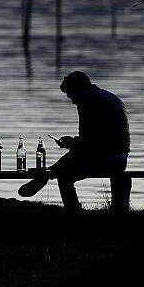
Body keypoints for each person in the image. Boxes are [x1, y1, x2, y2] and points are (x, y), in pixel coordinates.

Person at [49, 71, 131, 213]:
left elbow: (87, 143)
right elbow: (96, 138)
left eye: (70, 95)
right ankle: (51, 171)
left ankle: (73, 214)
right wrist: (75, 143)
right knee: (73, 154)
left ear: (76, 89)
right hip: (121, 158)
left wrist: (71, 142)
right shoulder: (108, 96)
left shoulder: (86, 100)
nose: (72, 101)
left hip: (106, 159)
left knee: (64, 177)